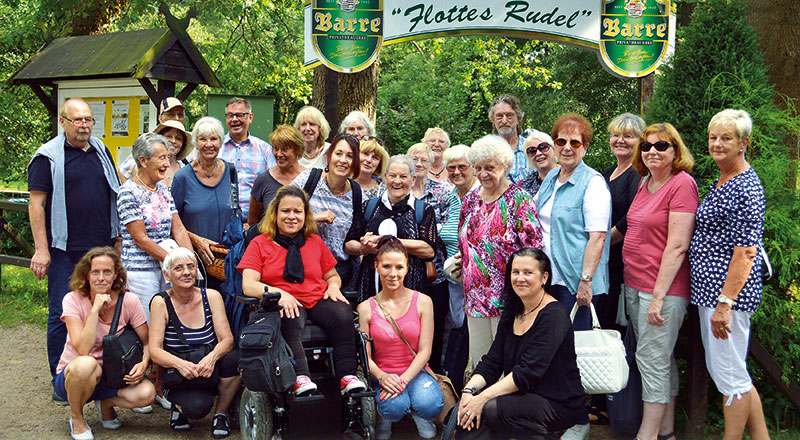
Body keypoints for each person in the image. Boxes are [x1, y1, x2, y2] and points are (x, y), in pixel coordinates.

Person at [28, 98, 122, 398]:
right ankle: (62, 381)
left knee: (108, 312)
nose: (84, 125)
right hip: (64, 250)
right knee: (62, 312)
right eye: (77, 120)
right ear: (63, 121)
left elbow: (114, 194)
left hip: (102, 249)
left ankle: (99, 379)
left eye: (88, 120)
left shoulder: (101, 151)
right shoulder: (47, 157)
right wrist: (41, 249)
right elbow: (37, 204)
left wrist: (117, 237)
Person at [239, 185, 367, 396]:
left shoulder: (314, 242)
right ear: (275, 214)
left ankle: (347, 376)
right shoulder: (260, 243)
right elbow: (249, 284)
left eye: (297, 212)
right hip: (283, 301)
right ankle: (300, 377)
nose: (292, 216)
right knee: (289, 315)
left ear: (305, 215)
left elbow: (332, 275)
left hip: (316, 297)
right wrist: (280, 294)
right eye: (285, 211)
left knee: (343, 313)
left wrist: (334, 286)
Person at [689, 109, 769, 440]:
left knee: (729, 376)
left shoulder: (747, 186)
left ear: (743, 143)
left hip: (726, 298)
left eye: (726, 138)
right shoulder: (723, 179)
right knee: (734, 371)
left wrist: (725, 303)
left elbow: (746, 251)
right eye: (713, 137)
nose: (717, 144)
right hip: (712, 294)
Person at [534, 113, 611, 439]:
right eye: (561, 141)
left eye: (574, 142)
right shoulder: (551, 178)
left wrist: (586, 281)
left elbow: (597, 236)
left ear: (585, 146)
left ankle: (578, 420)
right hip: (548, 281)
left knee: (572, 356)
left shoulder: (592, 183)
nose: (567, 147)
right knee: (550, 354)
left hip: (574, 283)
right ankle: (557, 416)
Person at [456, 249, 585, 440]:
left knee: (490, 408)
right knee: (465, 417)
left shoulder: (554, 315)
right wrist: (468, 392)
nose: (520, 278)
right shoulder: (513, 310)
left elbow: (527, 372)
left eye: (528, 272)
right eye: (515, 272)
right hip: (521, 395)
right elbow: (492, 361)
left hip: (558, 401)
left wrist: (481, 398)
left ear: (544, 277)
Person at [623, 123, 698, 440]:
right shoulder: (645, 182)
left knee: (651, 361)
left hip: (662, 291)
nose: (652, 151)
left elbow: (679, 245)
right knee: (659, 360)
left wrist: (657, 297)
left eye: (661, 146)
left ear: (675, 151)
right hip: (635, 285)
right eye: (647, 146)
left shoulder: (682, 184)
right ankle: (666, 432)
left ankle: (647, 434)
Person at [457, 135, 543, 369]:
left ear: (505, 166)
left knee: (507, 365)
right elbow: (464, 241)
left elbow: (533, 249)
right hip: (474, 298)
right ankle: (479, 406)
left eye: (490, 168)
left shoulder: (519, 199)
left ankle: (503, 407)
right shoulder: (470, 200)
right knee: (481, 365)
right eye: (479, 168)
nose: (484, 174)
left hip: (508, 297)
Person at [54, 247, 155, 439]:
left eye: (107, 272)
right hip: (75, 376)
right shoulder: (73, 299)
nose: (101, 278)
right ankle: (77, 418)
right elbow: (83, 349)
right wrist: (95, 309)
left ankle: (106, 403)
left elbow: (148, 342)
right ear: (87, 274)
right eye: (95, 272)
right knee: (87, 364)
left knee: (147, 393)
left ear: (115, 274)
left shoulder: (129, 301)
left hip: (111, 375)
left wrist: (143, 364)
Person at [357, 237, 443, 440]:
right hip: (382, 374)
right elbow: (365, 357)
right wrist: (383, 378)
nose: (393, 274)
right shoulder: (365, 307)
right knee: (394, 406)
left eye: (399, 267)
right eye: (386, 266)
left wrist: (402, 381)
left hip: (414, 372)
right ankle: (386, 418)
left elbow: (425, 350)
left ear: (407, 268)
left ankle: (419, 414)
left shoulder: (423, 301)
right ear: (376, 266)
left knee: (430, 404)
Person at [149, 248, 240, 438]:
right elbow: (155, 351)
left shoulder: (212, 296)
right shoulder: (160, 302)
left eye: (191, 266)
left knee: (235, 359)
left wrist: (212, 358)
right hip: (179, 373)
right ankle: (179, 407)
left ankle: (221, 414)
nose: (186, 272)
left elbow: (227, 340)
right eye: (178, 268)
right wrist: (180, 364)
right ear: (167, 274)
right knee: (198, 408)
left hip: (206, 366)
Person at [117, 133, 192, 321]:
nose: (167, 163)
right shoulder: (128, 192)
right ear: (143, 160)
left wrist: (190, 260)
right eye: (161, 158)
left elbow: (179, 229)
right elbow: (140, 238)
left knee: (168, 324)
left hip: (167, 269)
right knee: (148, 326)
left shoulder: (164, 190)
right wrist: (174, 262)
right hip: (141, 273)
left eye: (168, 157)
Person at [354, 155, 437, 302]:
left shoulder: (422, 210)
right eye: (392, 176)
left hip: (411, 287)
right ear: (385, 177)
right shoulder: (369, 207)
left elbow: (429, 250)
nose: (397, 181)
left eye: (403, 176)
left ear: (413, 179)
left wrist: (389, 241)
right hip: (370, 287)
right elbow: (349, 243)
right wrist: (363, 247)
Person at [291, 133, 364, 290]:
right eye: (339, 153)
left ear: (355, 162)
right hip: (301, 266)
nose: (343, 160)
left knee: (341, 314)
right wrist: (315, 217)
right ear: (330, 156)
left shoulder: (358, 195)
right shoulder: (308, 179)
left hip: (340, 271)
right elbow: (278, 213)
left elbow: (354, 239)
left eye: (350, 156)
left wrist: (365, 247)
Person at [171, 117, 236, 290]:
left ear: (221, 142)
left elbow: (235, 209)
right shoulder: (182, 177)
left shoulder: (231, 171)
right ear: (196, 143)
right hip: (195, 259)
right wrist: (197, 241)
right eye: (203, 139)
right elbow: (171, 223)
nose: (209, 144)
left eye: (213, 139)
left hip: (226, 258)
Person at [407, 142, 451, 372]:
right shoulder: (398, 189)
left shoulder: (443, 191)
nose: (420, 164)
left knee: (435, 320)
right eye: (415, 159)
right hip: (403, 272)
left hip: (437, 271)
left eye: (424, 160)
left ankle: (434, 371)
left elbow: (450, 227)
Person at [603, 113, 646, 331]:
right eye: (616, 135)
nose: (620, 140)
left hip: (621, 262)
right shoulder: (606, 174)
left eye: (628, 136)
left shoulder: (638, 174)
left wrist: (602, 243)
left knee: (616, 326)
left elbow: (630, 217)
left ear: (640, 141)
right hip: (604, 261)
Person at [217, 97, 276, 220]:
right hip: (221, 220)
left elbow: (273, 186)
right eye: (230, 115)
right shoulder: (216, 148)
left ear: (250, 117)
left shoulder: (265, 150)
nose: (234, 119)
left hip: (258, 221)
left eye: (240, 115)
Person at [440, 144, 479, 331]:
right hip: (454, 277)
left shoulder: (481, 195)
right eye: (451, 167)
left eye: (462, 166)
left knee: (475, 328)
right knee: (458, 324)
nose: (456, 172)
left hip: (477, 277)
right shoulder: (451, 196)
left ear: (473, 167)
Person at [249, 125, 307, 225]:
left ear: (297, 150)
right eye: (276, 148)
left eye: (285, 149)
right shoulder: (263, 180)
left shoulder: (310, 177)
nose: (279, 154)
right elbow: (253, 222)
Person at [488, 95, 528, 184]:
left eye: (509, 115)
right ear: (493, 120)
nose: (504, 121)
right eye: (499, 116)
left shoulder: (532, 149)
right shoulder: (485, 152)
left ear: (518, 119)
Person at [518, 130, 556, 196]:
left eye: (543, 147)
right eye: (532, 151)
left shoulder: (570, 176)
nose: (538, 153)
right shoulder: (525, 185)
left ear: (554, 149)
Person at [295, 105, 332, 170]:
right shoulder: (293, 152)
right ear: (298, 129)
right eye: (303, 124)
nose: (308, 128)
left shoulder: (330, 151)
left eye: (312, 124)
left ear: (320, 128)